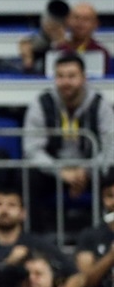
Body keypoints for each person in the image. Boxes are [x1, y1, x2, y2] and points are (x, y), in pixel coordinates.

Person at [23, 53, 114, 200]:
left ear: (83, 77)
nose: (65, 82)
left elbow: (111, 147)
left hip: (92, 170)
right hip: (53, 171)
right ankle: (35, 217)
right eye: (60, 76)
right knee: (28, 176)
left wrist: (85, 172)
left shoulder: (100, 104)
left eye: (71, 76)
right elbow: (32, 149)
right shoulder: (42, 103)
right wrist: (61, 172)